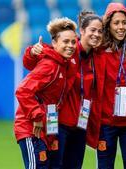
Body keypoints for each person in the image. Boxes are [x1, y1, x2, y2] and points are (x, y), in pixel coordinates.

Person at [23, 11, 104, 169]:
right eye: (92, 30)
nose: (96, 34)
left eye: (100, 31)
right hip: (59, 122)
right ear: (82, 31)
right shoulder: (69, 50)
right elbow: (42, 59)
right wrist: (32, 52)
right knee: (56, 165)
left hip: (81, 123)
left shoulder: (98, 57)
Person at [14, 17, 77, 169]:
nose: (70, 46)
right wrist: (36, 116)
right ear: (55, 43)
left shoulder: (63, 65)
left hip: (47, 128)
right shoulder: (50, 65)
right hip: (31, 129)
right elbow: (22, 90)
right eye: (66, 41)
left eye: (73, 42)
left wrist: (51, 132)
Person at [96, 3, 126, 169]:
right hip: (105, 122)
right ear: (108, 25)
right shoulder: (98, 48)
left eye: (124, 23)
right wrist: (35, 52)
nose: (121, 27)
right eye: (116, 23)